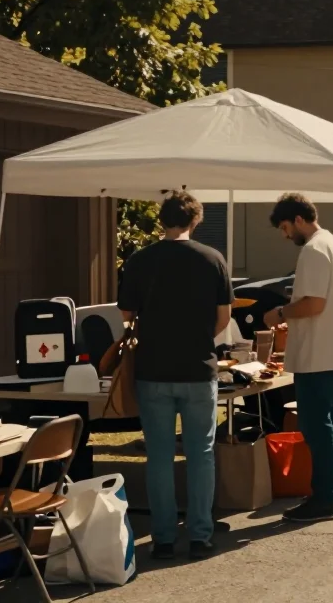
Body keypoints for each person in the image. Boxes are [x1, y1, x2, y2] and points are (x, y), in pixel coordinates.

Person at [118, 191, 230, 560]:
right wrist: (198, 337)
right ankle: (200, 534)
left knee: (160, 456)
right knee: (201, 454)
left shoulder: (139, 261)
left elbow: (125, 316)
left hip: (153, 369)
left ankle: (163, 538)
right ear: (195, 220)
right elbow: (223, 316)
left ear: (161, 219)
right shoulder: (213, 259)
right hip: (198, 367)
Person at [263, 194, 333, 523]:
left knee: (318, 426)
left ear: (299, 220)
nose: (286, 235)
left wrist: (280, 312)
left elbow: (314, 304)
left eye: (286, 227)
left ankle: (324, 498)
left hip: (318, 352)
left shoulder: (315, 249)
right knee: (329, 423)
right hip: (331, 349)